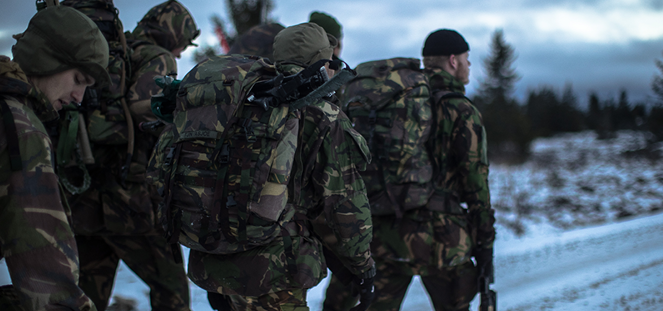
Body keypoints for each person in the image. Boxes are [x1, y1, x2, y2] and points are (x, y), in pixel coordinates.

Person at [187, 22, 376, 311]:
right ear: (323, 62)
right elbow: (345, 204)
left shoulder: (239, 99)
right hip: (275, 270)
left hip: (214, 257)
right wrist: (362, 267)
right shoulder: (321, 114)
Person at [65, 0, 198, 311]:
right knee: (172, 289)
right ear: (173, 34)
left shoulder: (112, 53)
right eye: (183, 44)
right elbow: (146, 109)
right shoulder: (158, 57)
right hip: (130, 205)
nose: (181, 52)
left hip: (84, 197)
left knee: (87, 293)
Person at [0, 5, 110, 310]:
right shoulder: (19, 128)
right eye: (78, 78)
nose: (79, 97)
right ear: (46, 58)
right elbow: (48, 284)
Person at [367, 29, 496, 311]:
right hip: (442, 240)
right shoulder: (461, 110)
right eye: (466, 58)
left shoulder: (396, 102)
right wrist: (485, 242)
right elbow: (477, 185)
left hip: (388, 234)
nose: (468, 65)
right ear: (453, 60)